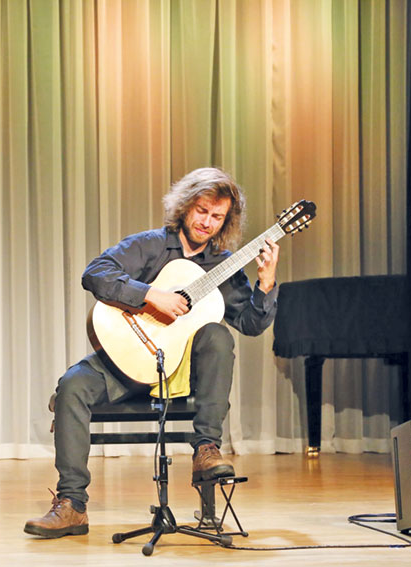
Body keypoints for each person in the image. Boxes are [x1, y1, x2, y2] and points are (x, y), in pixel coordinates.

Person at [24, 167, 279, 538]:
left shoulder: (224, 266)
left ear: (226, 221)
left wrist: (266, 282)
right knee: (72, 385)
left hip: (179, 372)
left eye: (217, 217)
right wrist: (149, 294)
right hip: (125, 365)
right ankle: (71, 506)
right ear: (185, 206)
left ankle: (206, 451)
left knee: (217, 336)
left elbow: (252, 325)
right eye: (202, 211)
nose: (207, 222)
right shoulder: (150, 245)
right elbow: (95, 273)